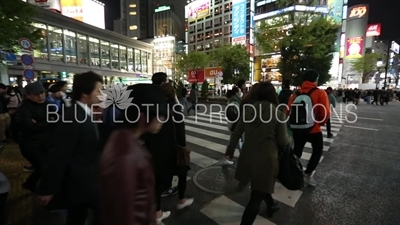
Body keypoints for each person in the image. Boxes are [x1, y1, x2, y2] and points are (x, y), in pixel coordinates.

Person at [37, 72, 103, 225]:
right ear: (85, 93)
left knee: (77, 217)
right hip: (80, 183)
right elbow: (59, 154)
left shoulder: (84, 113)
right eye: (99, 90)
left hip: (85, 182)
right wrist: (47, 188)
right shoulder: (73, 117)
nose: (101, 94)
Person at [100, 84, 166, 225]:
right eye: (160, 114)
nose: (162, 120)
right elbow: (122, 214)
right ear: (143, 116)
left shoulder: (126, 141)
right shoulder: (125, 155)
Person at [226, 82, 288, 224]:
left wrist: (229, 151)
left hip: (248, 156)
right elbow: (283, 141)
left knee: (260, 187)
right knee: (256, 197)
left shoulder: (248, 111)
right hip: (266, 159)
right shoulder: (278, 113)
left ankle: (271, 205)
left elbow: (237, 132)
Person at [287, 70, 330, 186]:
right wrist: (319, 123)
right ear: (315, 79)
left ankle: (290, 171)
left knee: (297, 151)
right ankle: (308, 174)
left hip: (298, 129)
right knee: (317, 150)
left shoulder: (296, 94)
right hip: (314, 129)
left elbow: (288, 110)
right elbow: (325, 113)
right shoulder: (320, 93)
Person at [143, 72, 176, 223]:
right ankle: (155, 213)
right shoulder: (160, 100)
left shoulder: (149, 96)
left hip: (150, 148)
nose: (160, 121)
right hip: (158, 150)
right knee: (157, 180)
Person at [161, 83, 194, 210]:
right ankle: (181, 199)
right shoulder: (176, 108)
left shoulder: (157, 108)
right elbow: (181, 131)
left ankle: (157, 209)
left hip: (162, 148)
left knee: (163, 173)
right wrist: (183, 146)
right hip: (175, 148)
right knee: (182, 172)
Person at [15, 82, 53, 193]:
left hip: (45, 142)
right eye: (36, 94)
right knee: (43, 166)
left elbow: (57, 119)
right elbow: (29, 126)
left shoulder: (47, 104)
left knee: (48, 166)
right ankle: (33, 185)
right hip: (29, 144)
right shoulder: (24, 108)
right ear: (28, 95)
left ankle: (31, 184)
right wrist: (47, 123)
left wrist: (40, 124)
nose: (40, 96)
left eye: (42, 93)